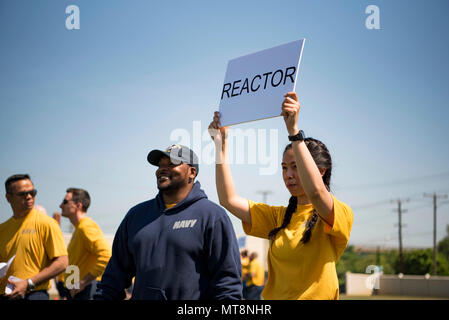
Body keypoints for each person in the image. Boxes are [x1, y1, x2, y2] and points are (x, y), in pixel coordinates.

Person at [208, 92, 354, 300]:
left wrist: (294, 132)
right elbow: (228, 200)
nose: (289, 175)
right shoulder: (278, 217)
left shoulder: (338, 213)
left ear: (320, 171)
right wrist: (219, 145)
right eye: (284, 168)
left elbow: (316, 192)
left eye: (296, 167)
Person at [94, 144, 242, 300]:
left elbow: (227, 284)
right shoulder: (136, 215)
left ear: (192, 172)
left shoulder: (212, 216)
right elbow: (113, 278)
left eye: (171, 164)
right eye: (160, 165)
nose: (162, 169)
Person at [0, 174, 68, 300]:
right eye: (23, 194)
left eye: (33, 192)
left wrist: (28, 283)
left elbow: (62, 262)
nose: (29, 197)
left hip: (34, 294)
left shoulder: (47, 223)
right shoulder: (2, 229)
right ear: (8, 197)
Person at [56, 188, 111, 300]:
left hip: (87, 290)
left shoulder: (85, 227)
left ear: (78, 206)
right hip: (79, 291)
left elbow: (106, 255)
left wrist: (83, 283)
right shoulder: (79, 228)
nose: (60, 205)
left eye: (65, 201)